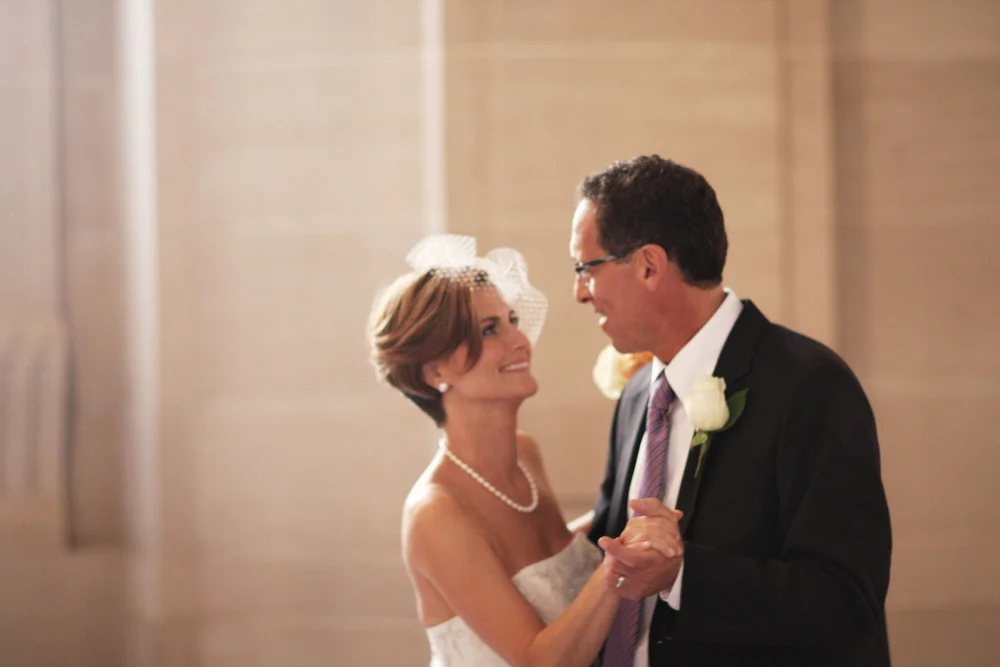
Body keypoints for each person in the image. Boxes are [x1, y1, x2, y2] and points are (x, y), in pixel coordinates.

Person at [570, 155, 892, 667]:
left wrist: (683, 576)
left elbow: (845, 602)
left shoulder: (809, 385)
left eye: (587, 268)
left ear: (649, 265)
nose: (580, 293)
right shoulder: (636, 395)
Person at [368, 235, 683, 667]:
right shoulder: (436, 513)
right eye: (489, 329)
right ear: (434, 370)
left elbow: (551, 564)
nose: (520, 340)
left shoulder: (525, 454)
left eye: (512, 320)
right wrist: (619, 565)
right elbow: (539, 660)